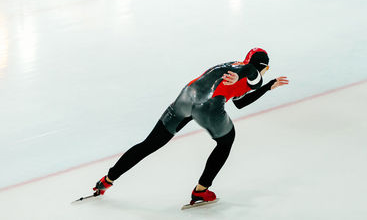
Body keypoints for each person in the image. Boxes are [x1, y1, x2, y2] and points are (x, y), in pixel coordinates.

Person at [93, 48, 289, 204]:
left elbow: (240, 102)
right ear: (263, 66)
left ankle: (107, 180)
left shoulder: (233, 66)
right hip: (207, 107)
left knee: (150, 143)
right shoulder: (250, 72)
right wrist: (249, 77)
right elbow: (251, 74)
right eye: (266, 69)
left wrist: (269, 86)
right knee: (226, 141)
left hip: (186, 98)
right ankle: (201, 191)